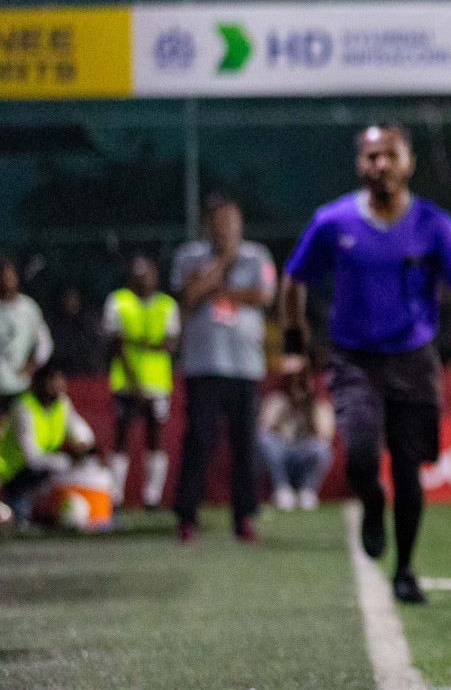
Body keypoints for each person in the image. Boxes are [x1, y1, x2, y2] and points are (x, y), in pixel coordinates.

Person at [278, 122, 451, 604]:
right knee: (360, 453)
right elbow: (293, 282)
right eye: (372, 157)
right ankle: (372, 503)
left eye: (390, 155)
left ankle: (406, 569)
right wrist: (294, 345)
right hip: (354, 362)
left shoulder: (435, 224)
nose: (381, 165)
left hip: (414, 361)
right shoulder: (332, 222)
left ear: (408, 162)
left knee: (410, 469)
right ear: (360, 165)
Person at [170, 196, 276, 544]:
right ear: (207, 226)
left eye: (232, 222)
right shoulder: (189, 255)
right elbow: (187, 296)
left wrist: (215, 285)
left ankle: (244, 516)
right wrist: (220, 265)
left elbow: (262, 295)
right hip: (203, 365)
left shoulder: (257, 255)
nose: (227, 229)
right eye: (219, 223)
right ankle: (186, 516)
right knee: (199, 439)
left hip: (245, 366)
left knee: (245, 443)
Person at [104, 255, 180, 508]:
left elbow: (170, 342)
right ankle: (115, 497)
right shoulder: (119, 301)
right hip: (126, 383)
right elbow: (116, 343)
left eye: (147, 273)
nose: (143, 279)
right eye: (138, 274)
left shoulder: (167, 304)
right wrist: (136, 380)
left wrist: (135, 341)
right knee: (122, 436)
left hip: (157, 384)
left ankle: (152, 498)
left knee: (155, 436)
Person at [0, 360, 94, 526]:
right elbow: (32, 458)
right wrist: (67, 461)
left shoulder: (62, 404)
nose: (57, 387)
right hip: (11, 476)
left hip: (39, 472)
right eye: (51, 382)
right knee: (20, 523)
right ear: (38, 385)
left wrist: (80, 445)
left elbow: (84, 434)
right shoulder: (24, 408)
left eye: (60, 381)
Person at [259, 372, 336, 511]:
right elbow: (265, 429)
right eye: (295, 386)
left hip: (305, 453)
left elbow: (326, 435)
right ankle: (282, 489)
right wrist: (284, 411)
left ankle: (308, 490)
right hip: (283, 451)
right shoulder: (277, 400)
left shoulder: (318, 405)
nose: (299, 391)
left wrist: (310, 411)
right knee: (266, 441)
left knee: (323, 448)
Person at [0, 255, 53, 410]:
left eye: (11, 276)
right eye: (3, 276)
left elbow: (44, 342)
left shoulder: (28, 308)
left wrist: (32, 365)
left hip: (20, 385)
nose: (7, 280)